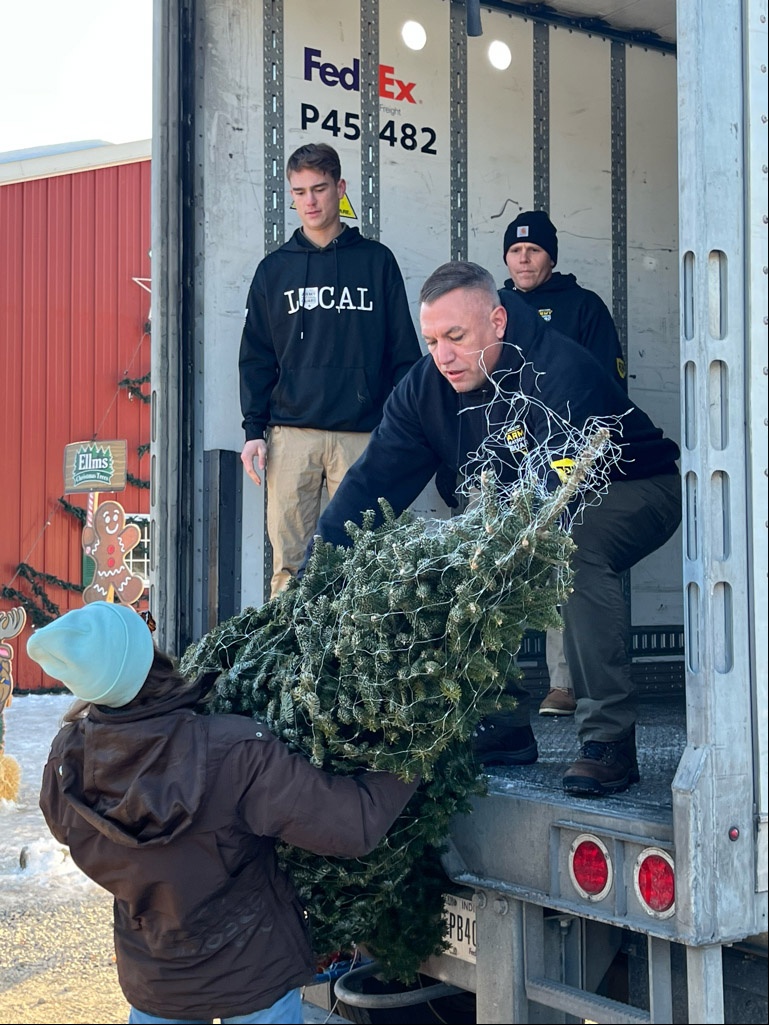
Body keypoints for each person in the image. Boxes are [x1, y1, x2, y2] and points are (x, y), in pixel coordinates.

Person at [308, 261, 682, 797]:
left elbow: (549, 503)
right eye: (432, 339)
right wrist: (317, 567)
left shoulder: (559, 372)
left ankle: (610, 742)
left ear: (499, 322)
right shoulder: (426, 387)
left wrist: (483, 540)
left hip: (632, 486)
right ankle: (501, 724)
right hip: (526, 502)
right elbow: (371, 484)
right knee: (464, 553)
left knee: (569, 550)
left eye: (456, 337)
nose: (443, 356)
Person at [29, 601, 418, 1024]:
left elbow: (76, 831)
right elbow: (351, 825)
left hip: (156, 985)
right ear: (147, 654)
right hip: (255, 977)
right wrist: (416, 749)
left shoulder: (68, 765)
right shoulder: (232, 751)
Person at [239, 142, 422, 597]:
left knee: (364, 564)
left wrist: (403, 431)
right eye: (299, 191)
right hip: (291, 435)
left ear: (340, 189)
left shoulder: (376, 262)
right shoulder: (274, 271)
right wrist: (253, 430)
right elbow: (256, 356)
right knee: (288, 567)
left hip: (362, 435)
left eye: (319, 188)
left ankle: (354, 666)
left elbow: (403, 352)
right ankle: (286, 665)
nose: (310, 201)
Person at [502, 210, 626, 717]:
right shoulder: (497, 308)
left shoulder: (584, 307)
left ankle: (563, 684)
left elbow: (608, 384)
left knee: (561, 566)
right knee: (501, 565)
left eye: (533, 250)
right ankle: (497, 683)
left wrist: (594, 454)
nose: (523, 258)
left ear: (551, 256)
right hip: (509, 454)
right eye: (514, 250)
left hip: (567, 456)